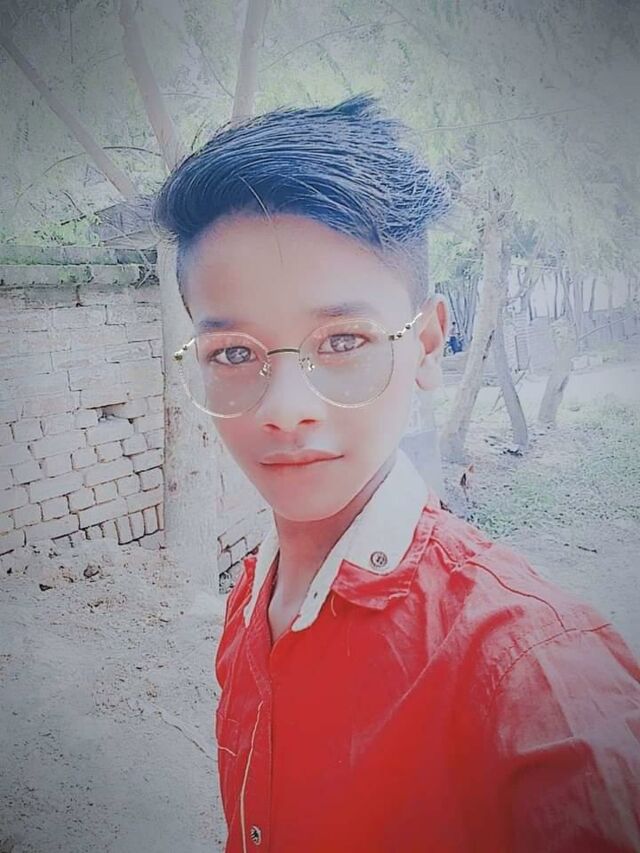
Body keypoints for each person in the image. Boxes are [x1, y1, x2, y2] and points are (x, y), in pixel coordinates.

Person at [153, 94, 640, 853]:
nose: (285, 410)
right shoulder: (251, 600)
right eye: (235, 353)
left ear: (429, 344)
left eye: (343, 340)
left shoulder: (540, 678)